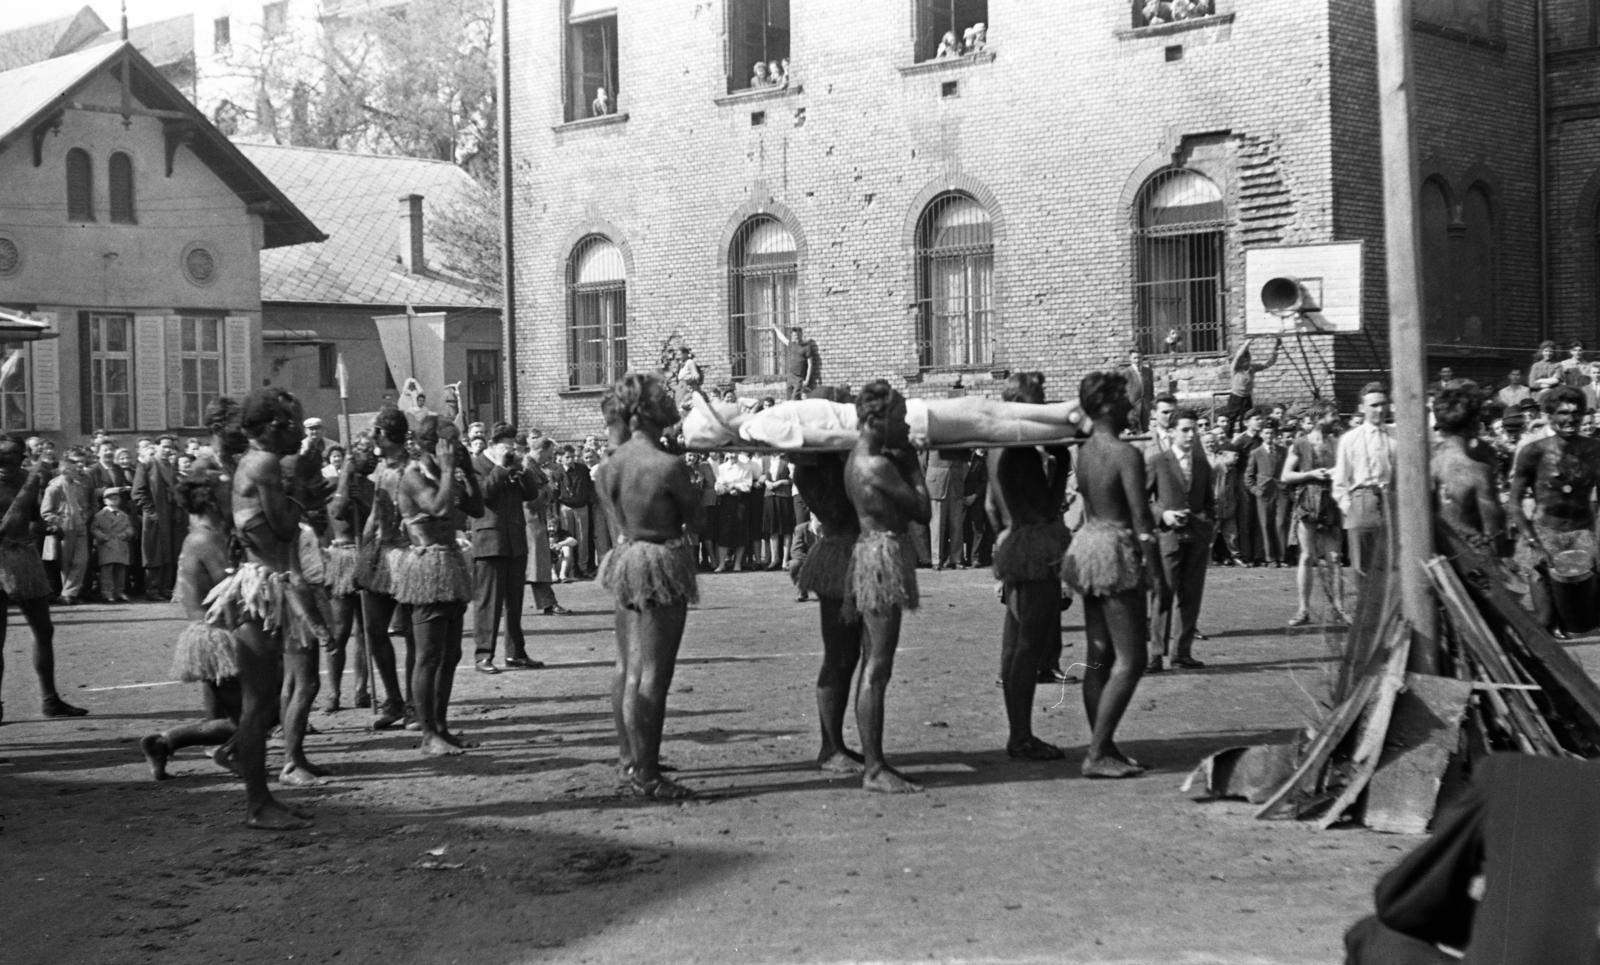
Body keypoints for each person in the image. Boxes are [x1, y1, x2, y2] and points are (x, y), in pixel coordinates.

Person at [207, 388, 329, 829]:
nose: (299, 430)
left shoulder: (256, 461)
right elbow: (282, 529)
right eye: (293, 422)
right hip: (262, 590)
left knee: (265, 698)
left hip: (265, 584)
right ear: (275, 427)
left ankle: (260, 792)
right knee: (259, 704)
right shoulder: (263, 463)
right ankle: (258, 805)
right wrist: (304, 489)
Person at [593, 372, 704, 799]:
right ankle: (649, 776)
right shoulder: (668, 465)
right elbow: (696, 519)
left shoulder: (608, 465)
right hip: (660, 559)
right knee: (655, 673)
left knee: (627, 667)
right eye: (662, 397)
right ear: (645, 411)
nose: (669, 402)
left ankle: (631, 760)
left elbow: (616, 521)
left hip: (626, 557)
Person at [143, 403, 247, 780]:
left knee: (239, 710)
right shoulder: (205, 473)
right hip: (216, 619)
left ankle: (168, 742)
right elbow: (226, 578)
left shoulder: (230, 465)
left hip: (210, 616)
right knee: (254, 710)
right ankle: (216, 746)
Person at [1062, 371, 1156, 779]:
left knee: (1097, 655)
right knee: (1131, 659)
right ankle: (1098, 752)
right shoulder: (1125, 454)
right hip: (1116, 552)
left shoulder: (1084, 452)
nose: (1129, 406)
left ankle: (1104, 745)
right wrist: (1154, 570)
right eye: (1122, 400)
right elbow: (1140, 519)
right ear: (1105, 407)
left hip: (1088, 546)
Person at [842, 380, 931, 793]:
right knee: (878, 667)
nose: (906, 422)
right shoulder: (877, 466)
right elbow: (922, 510)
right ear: (879, 420)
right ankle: (875, 768)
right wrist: (913, 465)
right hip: (881, 557)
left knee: (872, 663)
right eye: (900, 417)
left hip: (870, 553)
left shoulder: (860, 458)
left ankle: (875, 763)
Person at [987, 372, 1075, 760]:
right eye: (1039, 400)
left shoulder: (993, 447)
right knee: (1029, 647)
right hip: (1034, 545)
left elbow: (992, 506)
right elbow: (1047, 507)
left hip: (1012, 542)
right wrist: (1062, 463)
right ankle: (1020, 736)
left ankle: (1018, 733)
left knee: (1014, 645)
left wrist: (1006, 536)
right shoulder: (1021, 452)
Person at [394, 415, 483, 755]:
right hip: (426, 566)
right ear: (431, 446)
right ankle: (428, 732)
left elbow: (475, 506)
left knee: (451, 652)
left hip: (449, 565)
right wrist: (448, 470)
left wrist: (467, 471)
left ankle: (442, 728)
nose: (455, 448)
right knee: (428, 654)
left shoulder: (444, 473)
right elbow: (437, 505)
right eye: (450, 444)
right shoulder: (414, 476)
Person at [0, 436, 86, 722]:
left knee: (44, 630)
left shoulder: (30, 479)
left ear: (22, 457)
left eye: (11, 459)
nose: (5, 465)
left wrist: (47, 526)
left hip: (24, 556)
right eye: (1, 460)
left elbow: (32, 516)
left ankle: (50, 699)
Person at [1508, 386, 1600, 632]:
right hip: (1543, 534)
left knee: (1582, 621)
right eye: (1562, 413)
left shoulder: (1595, 450)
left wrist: (1595, 543)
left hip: (1582, 535)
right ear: (1549, 416)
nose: (1570, 418)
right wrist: (1532, 540)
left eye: (1576, 413)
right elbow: (1514, 502)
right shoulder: (1533, 451)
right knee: (1545, 619)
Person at [358, 407, 417, 730]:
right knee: (373, 630)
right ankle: (392, 700)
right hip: (380, 554)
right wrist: (364, 551)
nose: (370, 437)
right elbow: (373, 515)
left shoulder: (412, 467)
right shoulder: (380, 468)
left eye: (374, 432)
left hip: (407, 555)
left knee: (410, 633)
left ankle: (413, 704)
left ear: (385, 434)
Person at [1144, 405, 1214, 673]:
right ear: (1171, 432)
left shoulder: (1202, 464)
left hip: (1196, 538)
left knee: (1191, 596)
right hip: (1168, 538)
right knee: (1162, 595)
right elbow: (1140, 501)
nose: (1190, 435)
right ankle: (1155, 655)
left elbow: (1209, 502)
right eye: (1185, 430)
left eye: (1194, 430)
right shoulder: (1158, 462)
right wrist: (1164, 515)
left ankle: (1181, 653)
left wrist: (1206, 525)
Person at [472, 422, 541, 673]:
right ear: (493, 444)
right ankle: (483, 655)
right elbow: (483, 496)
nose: (510, 449)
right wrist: (501, 467)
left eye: (513, 445)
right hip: (490, 542)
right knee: (488, 602)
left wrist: (524, 472)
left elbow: (531, 495)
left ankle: (515, 653)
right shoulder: (477, 464)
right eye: (506, 445)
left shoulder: (513, 464)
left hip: (515, 542)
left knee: (515, 601)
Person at [321, 431, 376, 712]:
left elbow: (372, 520)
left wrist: (362, 501)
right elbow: (339, 511)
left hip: (364, 555)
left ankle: (361, 689)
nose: (372, 457)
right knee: (339, 631)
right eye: (366, 452)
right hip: (342, 556)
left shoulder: (371, 487)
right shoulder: (333, 483)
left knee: (365, 630)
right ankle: (333, 692)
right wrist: (346, 477)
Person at [1281, 399, 1347, 626]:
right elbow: (1286, 475)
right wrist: (1311, 475)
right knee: (1307, 556)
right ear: (1319, 419)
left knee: (1335, 558)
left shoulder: (1338, 443)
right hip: (1308, 501)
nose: (1336, 419)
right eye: (1332, 415)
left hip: (1331, 501)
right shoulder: (1300, 443)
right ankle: (1303, 610)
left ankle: (1339, 609)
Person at [1332, 383, 1396, 603]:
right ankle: (1366, 617)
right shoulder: (1350, 439)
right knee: (1362, 566)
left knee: (1393, 561)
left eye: (1383, 404)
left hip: (1391, 501)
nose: (1379, 410)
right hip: (1362, 500)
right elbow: (1340, 481)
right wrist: (1351, 508)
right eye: (1373, 405)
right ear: (1362, 407)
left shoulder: (1396, 435)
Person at [1432, 387, 1503, 550]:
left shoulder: (1425, 462)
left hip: (1431, 557)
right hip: (1468, 562)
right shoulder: (1477, 470)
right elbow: (1493, 534)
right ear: (1475, 422)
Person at [522, 436, 570, 617]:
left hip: (534, 521)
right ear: (541, 450)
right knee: (536, 565)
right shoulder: (528, 468)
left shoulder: (532, 467)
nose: (550, 459)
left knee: (536, 565)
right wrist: (548, 491)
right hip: (530, 522)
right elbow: (530, 498)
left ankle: (548, 602)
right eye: (549, 454)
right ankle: (548, 603)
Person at [133, 436, 183, 601]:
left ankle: (164, 587)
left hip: (169, 516)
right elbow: (138, 493)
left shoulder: (170, 466)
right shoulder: (147, 465)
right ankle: (152, 588)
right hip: (154, 516)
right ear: (156, 447)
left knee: (168, 551)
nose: (168, 450)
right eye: (164, 446)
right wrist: (151, 512)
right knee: (154, 552)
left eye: (170, 447)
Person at [41, 446, 91, 605]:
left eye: (80, 465)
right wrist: (58, 523)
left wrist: (83, 516)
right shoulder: (55, 486)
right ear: (65, 468)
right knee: (66, 563)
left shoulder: (78, 485)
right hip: (65, 529)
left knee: (81, 561)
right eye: (74, 465)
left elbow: (84, 505)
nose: (79, 468)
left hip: (80, 527)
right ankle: (68, 594)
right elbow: (46, 512)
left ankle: (69, 592)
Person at [1244, 420, 1288, 567]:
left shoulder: (1282, 451)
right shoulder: (1256, 453)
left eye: (1272, 433)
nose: (1269, 436)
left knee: (1280, 524)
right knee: (1265, 524)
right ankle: (1270, 558)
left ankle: (1282, 557)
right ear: (1262, 435)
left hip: (1280, 491)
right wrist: (1255, 490)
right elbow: (1248, 476)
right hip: (1264, 493)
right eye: (1266, 433)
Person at [1220, 337, 1281, 432]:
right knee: (1231, 419)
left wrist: (1276, 349)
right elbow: (1238, 356)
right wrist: (1246, 344)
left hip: (1247, 398)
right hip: (1236, 398)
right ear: (1241, 362)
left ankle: (1246, 437)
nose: (1247, 362)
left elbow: (1268, 364)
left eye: (1248, 360)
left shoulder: (1252, 368)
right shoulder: (1236, 369)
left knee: (1247, 419)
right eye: (1244, 361)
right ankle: (1228, 437)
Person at [553, 445, 595, 577]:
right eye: (567, 457)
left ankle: (583, 568)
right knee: (568, 538)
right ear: (560, 458)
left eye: (573, 456)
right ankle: (569, 569)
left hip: (581, 507)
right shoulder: (557, 472)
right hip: (566, 508)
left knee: (583, 538)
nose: (571, 460)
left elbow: (589, 487)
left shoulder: (582, 469)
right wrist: (555, 512)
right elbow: (555, 493)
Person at [925, 446, 969, 570]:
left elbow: (965, 464)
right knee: (937, 525)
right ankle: (936, 560)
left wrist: (959, 478)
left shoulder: (958, 438)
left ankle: (957, 559)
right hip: (936, 484)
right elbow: (923, 462)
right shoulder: (933, 437)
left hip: (956, 485)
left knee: (957, 525)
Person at [91, 486, 133, 603]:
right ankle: (107, 593)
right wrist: (102, 537)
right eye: (110, 499)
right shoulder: (100, 515)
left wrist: (126, 534)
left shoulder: (123, 515)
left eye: (116, 499)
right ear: (104, 501)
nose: (114, 501)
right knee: (107, 571)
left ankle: (119, 592)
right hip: (107, 545)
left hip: (121, 545)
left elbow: (130, 528)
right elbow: (94, 528)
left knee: (120, 570)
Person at [771, 323, 821, 400]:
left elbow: (810, 365)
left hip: (799, 378)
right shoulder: (792, 345)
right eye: (794, 335)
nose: (796, 337)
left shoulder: (807, 347)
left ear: (801, 335)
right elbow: (782, 338)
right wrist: (775, 328)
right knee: (788, 399)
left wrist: (807, 380)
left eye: (798, 335)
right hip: (790, 376)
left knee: (795, 399)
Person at [1123, 348, 1155, 433]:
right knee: (1133, 428)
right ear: (1130, 359)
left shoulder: (1148, 371)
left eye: (1139, 358)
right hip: (1132, 405)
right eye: (1135, 358)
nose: (1137, 360)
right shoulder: (1126, 372)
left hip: (1145, 404)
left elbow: (1151, 388)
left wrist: (1151, 403)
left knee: (1145, 428)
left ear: (1142, 358)